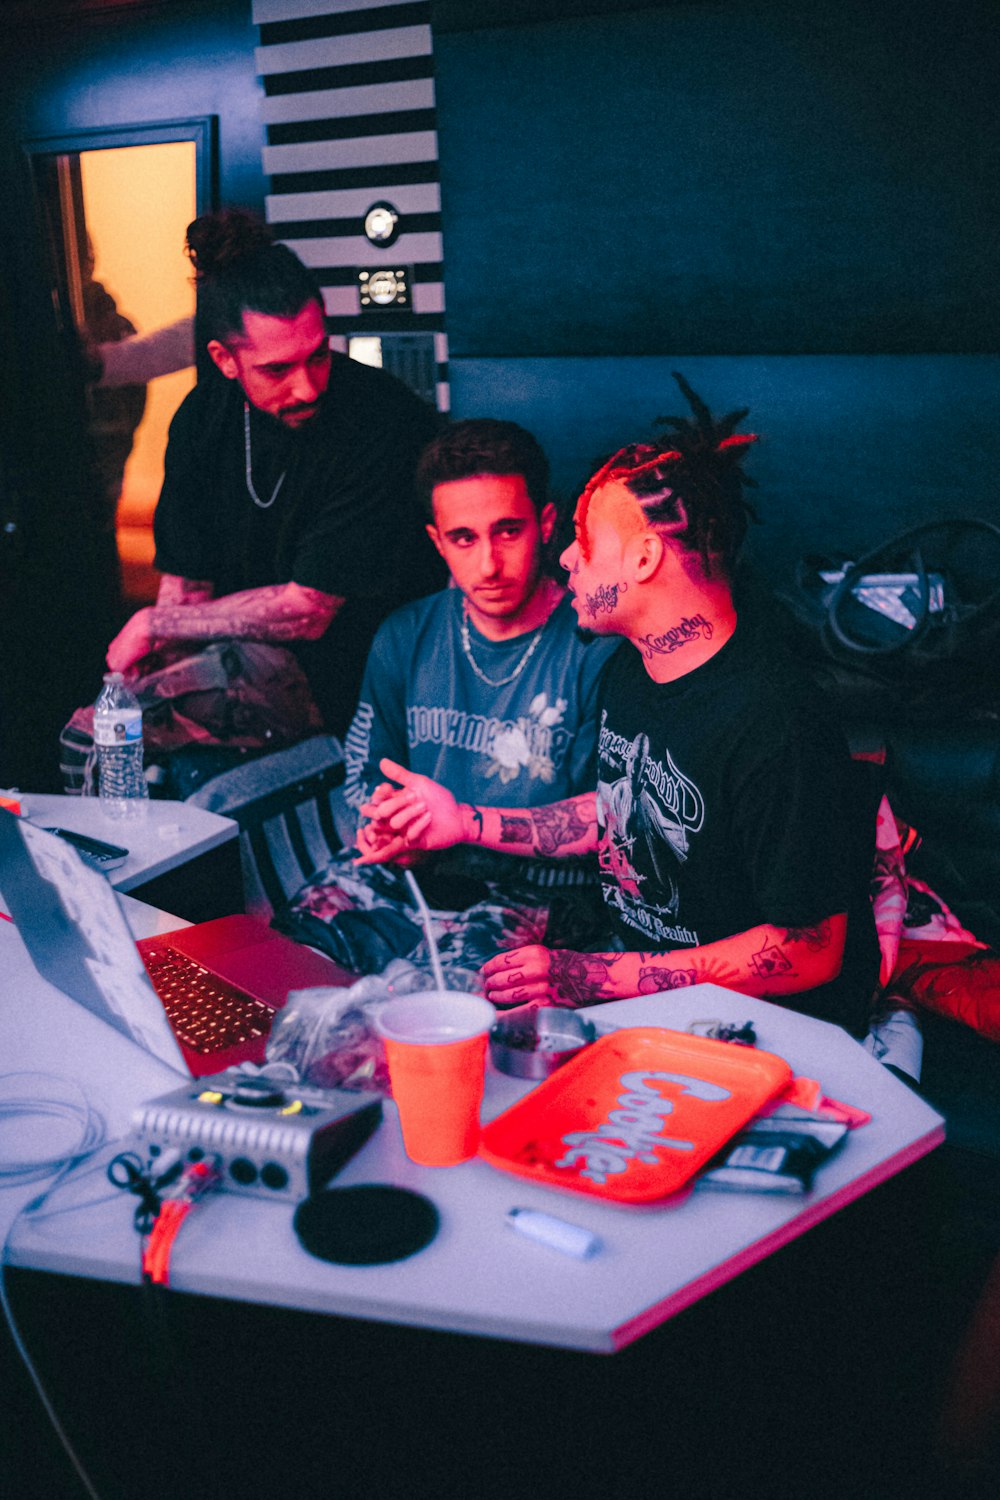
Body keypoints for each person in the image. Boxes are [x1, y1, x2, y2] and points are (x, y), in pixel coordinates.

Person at [356, 377, 881, 1034]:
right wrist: (465, 820)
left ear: (643, 555)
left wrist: (593, 977)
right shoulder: (633, 670)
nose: (569, 557)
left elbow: (809, 952)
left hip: (756, 1028)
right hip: (636, 985)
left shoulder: (775, 719)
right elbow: (617, 813)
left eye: (586, 539)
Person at [274, 418, 620, 976]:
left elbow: (609, 820)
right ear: (437, 540)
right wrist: (388, 821)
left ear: (547, 524)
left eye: (508, 531)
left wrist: (463, 821)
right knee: (288, 961)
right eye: (464, 538)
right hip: (415, 871)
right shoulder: (404, 634)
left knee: (448, 1000)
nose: (488, 564)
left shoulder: (595, 647)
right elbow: (367, 777)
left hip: (542, 891)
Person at [104, 208, 444, 738]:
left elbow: (308, 610)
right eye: (277, 369)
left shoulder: (380, 419)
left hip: (377, 685)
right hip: (245, 671)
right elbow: (187, 584)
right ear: (224, 359)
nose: (307, 386)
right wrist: (157, 665)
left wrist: (153, 625)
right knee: (102, 732)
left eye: (317, 355)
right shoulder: (200, 421)